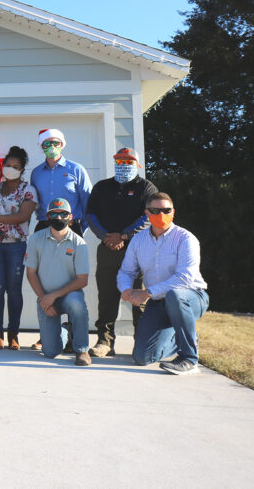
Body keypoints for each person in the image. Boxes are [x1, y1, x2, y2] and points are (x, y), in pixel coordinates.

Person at [118, 193, 208, 375]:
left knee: (175, 295)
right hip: (158, 302)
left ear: (173, 212)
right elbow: (126, 271)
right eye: (155, 210)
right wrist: (126, 290)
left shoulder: (185, 238)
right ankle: (184, 336)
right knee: (142, 357)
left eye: (166, 210)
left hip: (191, 297)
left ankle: (189, 359)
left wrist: (147, 292)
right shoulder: (138, 240)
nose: (161, 214)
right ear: (147, 213)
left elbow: (185, 277)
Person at [84, 147, 159, 357]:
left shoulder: (146, 187)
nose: (124, 165)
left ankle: (141, 342)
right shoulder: (102, 187)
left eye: (129, 161)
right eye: (120, 160)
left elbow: (148, 217)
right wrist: (106, 236)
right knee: (107, 296)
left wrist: (124, 236)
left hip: (137, 249)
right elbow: (90, 214)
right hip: (107, 247)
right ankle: (105, 341)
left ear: (137, 164)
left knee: (139, 296)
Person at [0, 146, 38, 350]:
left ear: (22, 169)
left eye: (16, 167)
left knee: (13, 291)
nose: (10, 169)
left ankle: (13, 334)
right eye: (8, 165)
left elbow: (22, 216)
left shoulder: (28, 190)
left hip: (16, 247)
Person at [25, 198, 92, 366]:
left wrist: (53, 296)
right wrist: (44, 299)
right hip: (45, 297)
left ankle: (82, 349)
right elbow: (31, 273)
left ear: (71, 217)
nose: (59, 218)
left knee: (77, 305)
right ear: (47, 217)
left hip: (70, 295)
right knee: (50, 352)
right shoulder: (35, 239)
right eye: (54, 214)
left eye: (63, 214)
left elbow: (82, 280)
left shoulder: (79, 243)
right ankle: (65, 330)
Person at [30, 128, 92, 236]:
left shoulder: (76, 169)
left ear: (62, 145)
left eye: (56, 143)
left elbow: (88, 200)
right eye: (47, 143)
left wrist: (81, 227)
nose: (52, 146)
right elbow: (34, 202)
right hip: (44, 227)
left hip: (71, 225)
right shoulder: (36, 173)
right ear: (41, 146)